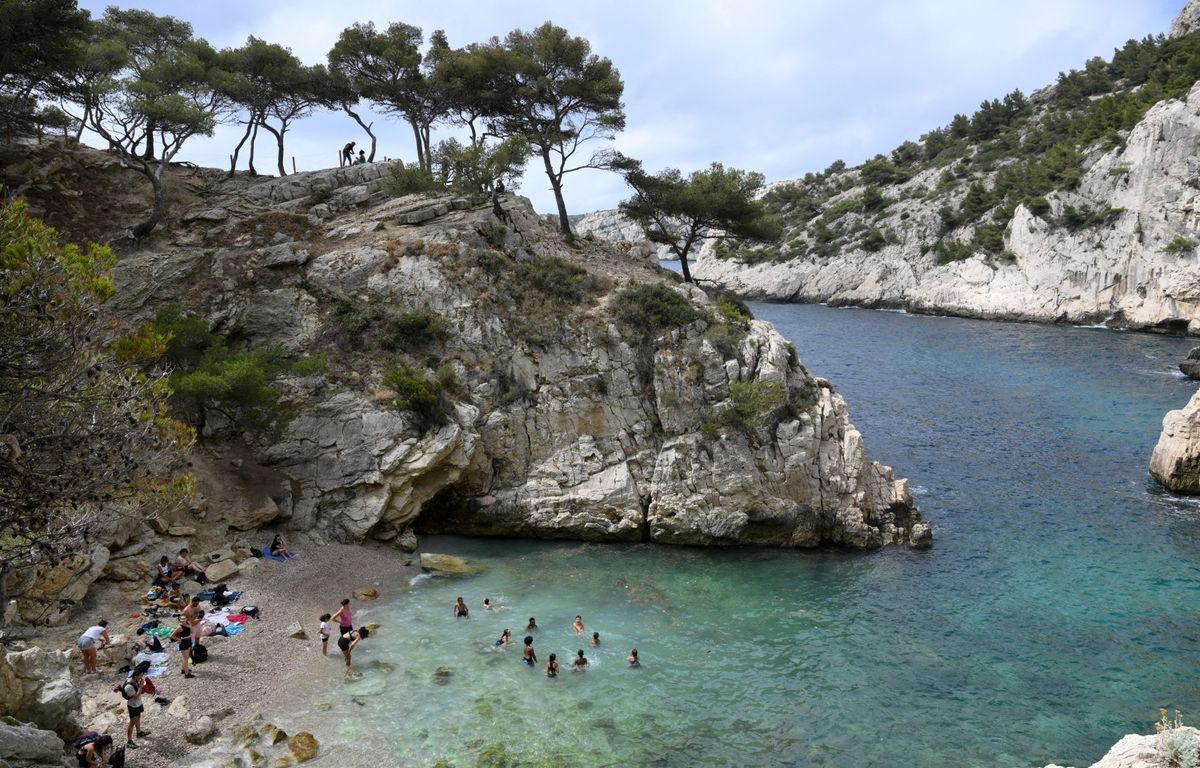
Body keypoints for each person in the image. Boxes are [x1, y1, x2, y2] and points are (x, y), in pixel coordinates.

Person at [122, 670, 149, 749]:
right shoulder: (128, 686)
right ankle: (129, 741)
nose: (142, 677)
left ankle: (139, 732)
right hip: (133, 706)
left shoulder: (135, 681)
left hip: (138, 704)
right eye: (140, 675)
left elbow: (139, 692)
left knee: (138, 718)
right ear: (135, 676)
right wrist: (141, 686)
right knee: (132, 723)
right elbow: (136, 696)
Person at [170, 612, 201, 679]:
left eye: (184, 619)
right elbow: (171, 636)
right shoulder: (179, 627)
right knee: (186, 658)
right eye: (181, 619)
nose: (183, 620)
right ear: (179, 620)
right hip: (184, 642)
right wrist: (179, 640)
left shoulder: (188, 623)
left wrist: (186, 625)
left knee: (185, 657)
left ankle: (183, 669)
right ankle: (187, 674)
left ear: (186, 619)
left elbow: (191, 628)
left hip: (189, 640)